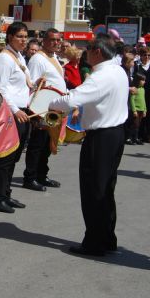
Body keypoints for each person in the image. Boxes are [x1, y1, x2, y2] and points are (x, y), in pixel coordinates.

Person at [49, 34, 129, 256]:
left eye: (89, 49)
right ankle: (106, 238)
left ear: (98, 52)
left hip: (101, 136)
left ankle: (94, 242)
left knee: (94, 189)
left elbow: (72, 99)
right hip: (115, 134)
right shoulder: (118, 70)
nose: (85, 54)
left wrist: (50, 102)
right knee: (106, 188)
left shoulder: (101, 76)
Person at [0, 22, 35, 214]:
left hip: (22, 111)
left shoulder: (19, 57)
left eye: (25, 36)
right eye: (20, 36)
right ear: (10, 38)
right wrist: (16, 110)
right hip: (11, 113)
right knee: (6, 157)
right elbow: (0, 89)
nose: (24, 40)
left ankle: (6, 193)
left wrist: (35, 84)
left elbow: (21, 85)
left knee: (14, 157)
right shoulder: (4, 59)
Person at [24, 28, 66, 191]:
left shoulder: (54, 57)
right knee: (37, 143)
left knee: (48, 143)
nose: (56, 42)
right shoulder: (37, 59)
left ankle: (42, 174)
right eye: (53, 40)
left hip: (54, 107)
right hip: (41, 108)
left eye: (58, 40)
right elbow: (32, 84)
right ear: (44, 41)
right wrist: (33, 111)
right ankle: (30, 177)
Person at [129, 73, 146, 145]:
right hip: (136, 110)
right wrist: (134, 110)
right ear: (138, 80)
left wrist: (145, 110)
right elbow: (132, 100)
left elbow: (144, 100)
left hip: (142, 110)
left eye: (144, 80)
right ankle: (131, 138)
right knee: (134, 125)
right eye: (142, 80)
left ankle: (136, 138)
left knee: (138, 125)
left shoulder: (143, 89)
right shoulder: (135, 89)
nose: (144, 82)